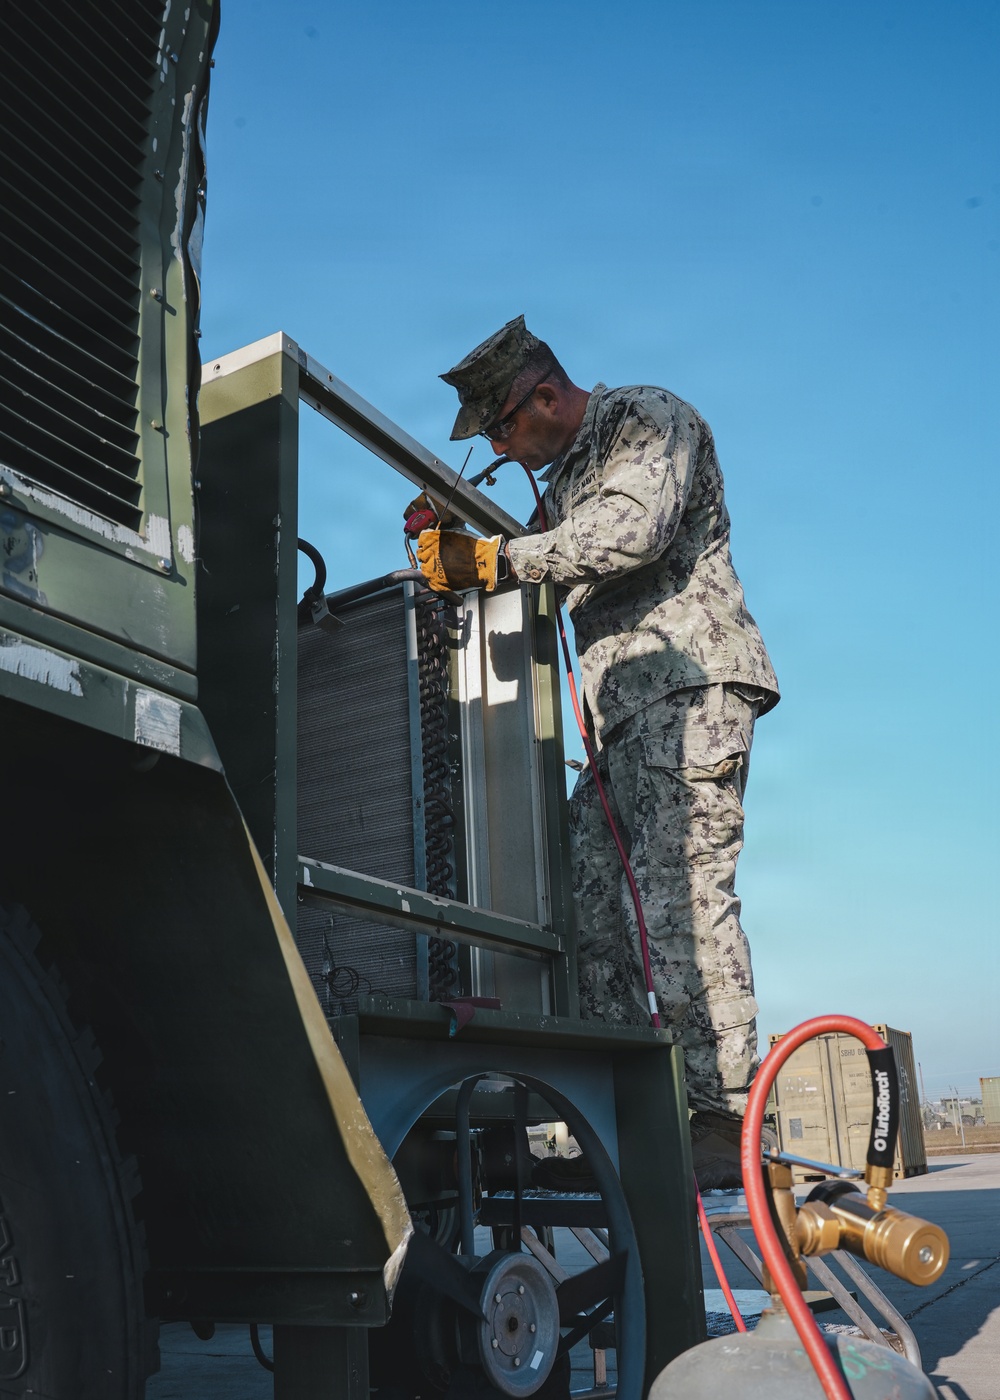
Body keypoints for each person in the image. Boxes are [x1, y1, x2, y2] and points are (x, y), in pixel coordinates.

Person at [420, 315, 779, 1187]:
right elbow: (541, 553)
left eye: (504, 432)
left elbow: (633, 531)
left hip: (689, 694)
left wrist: (494, 558)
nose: (507, 451)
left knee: (681, 895)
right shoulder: (569, 476)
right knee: (577, 899)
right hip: (622, 724)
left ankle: (725, 1117)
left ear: (545, 396)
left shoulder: (645, 421)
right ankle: (628, 1103)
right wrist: (450, 535)